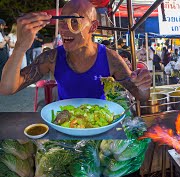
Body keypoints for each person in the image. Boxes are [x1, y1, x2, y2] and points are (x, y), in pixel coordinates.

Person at [0, 0, 151, 102]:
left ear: (93, 27)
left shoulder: (110, 58)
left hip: (98, 124)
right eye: (62, 22)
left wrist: (143, 87)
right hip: (65, 124)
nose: (63, 29)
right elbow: (7, 89)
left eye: (73, 21)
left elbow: (141, 96)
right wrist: (20, 48)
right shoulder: (51, 58)